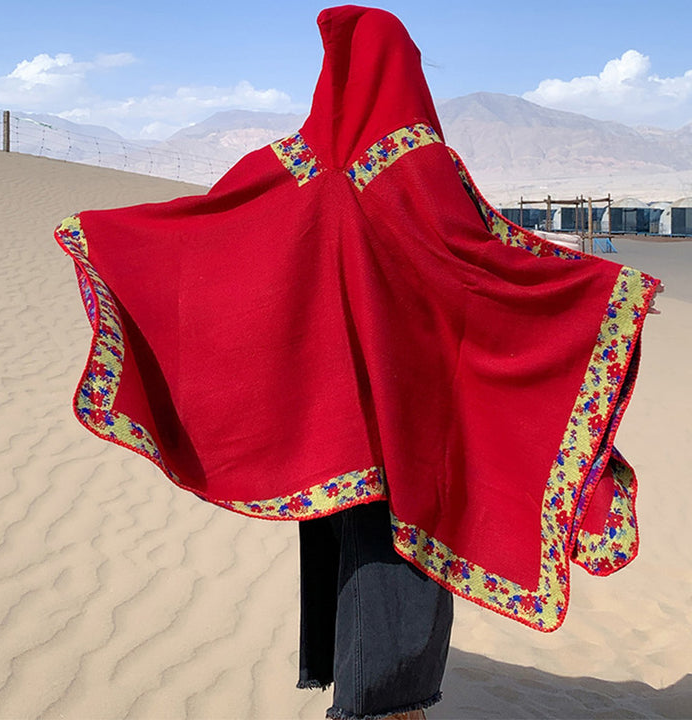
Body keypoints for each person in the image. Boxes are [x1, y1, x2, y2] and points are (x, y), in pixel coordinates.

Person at [54, 6, 662, 719]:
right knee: (401, 564)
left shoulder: (287, 166)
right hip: (406, 422)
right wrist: (602, 292)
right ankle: (384, 707)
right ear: (402, 69)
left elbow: (213, 234)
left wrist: (108, 238)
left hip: (328, 431)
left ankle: (359, 695)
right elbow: (483, 263)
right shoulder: (419, 165)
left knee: (349, 549)